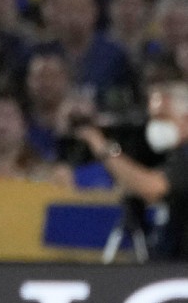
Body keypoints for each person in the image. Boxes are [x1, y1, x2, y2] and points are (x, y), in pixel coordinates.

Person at [77, 81, 188, 260]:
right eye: (153, 118)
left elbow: (152, 188)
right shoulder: (173, 155)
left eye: (163, 117)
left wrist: (104, 148)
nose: (155, 125)